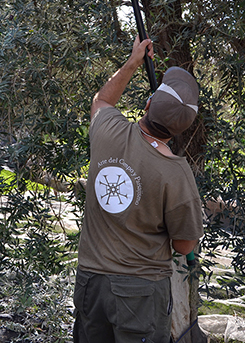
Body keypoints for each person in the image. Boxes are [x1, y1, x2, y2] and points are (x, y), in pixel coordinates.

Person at [73, 37, 204, 343]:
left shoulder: (108, 130)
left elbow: (101, 101)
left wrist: (134, 61)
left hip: (91, 282)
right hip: (141, 294)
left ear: (147, 105)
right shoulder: (177, 174)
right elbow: (185, 246)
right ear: (181, 129)